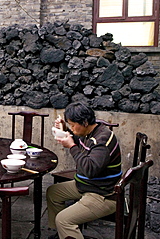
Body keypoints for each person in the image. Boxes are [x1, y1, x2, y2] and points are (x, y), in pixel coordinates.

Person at [47, 102, 122, 239]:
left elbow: (90, 170)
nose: (72, 128)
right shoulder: (91, 131)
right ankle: (62, 235)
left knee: (64, 220)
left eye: (73, 125)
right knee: (53, 192)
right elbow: (78, 138)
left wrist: (71, 146)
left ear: (85, 122)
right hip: (88, 185)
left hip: (103, 194)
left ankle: (65, 229)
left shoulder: (101, 141)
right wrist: (65, 130)